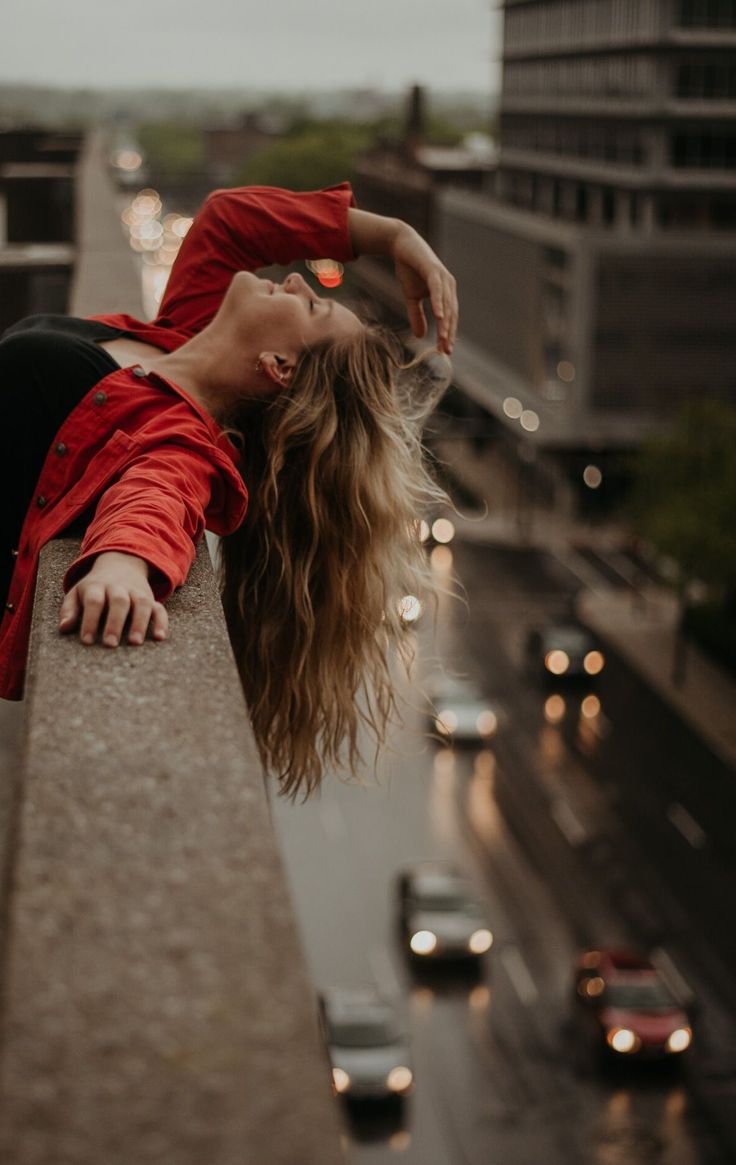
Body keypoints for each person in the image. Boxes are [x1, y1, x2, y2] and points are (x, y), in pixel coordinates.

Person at [0, 181, 457, 796]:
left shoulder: (185, 436)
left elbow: (158, 498)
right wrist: (395, 236)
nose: (295, 282)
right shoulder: (182, 336)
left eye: (312, 309)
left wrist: (125, 566)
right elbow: (229, 221)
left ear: (279, 365)